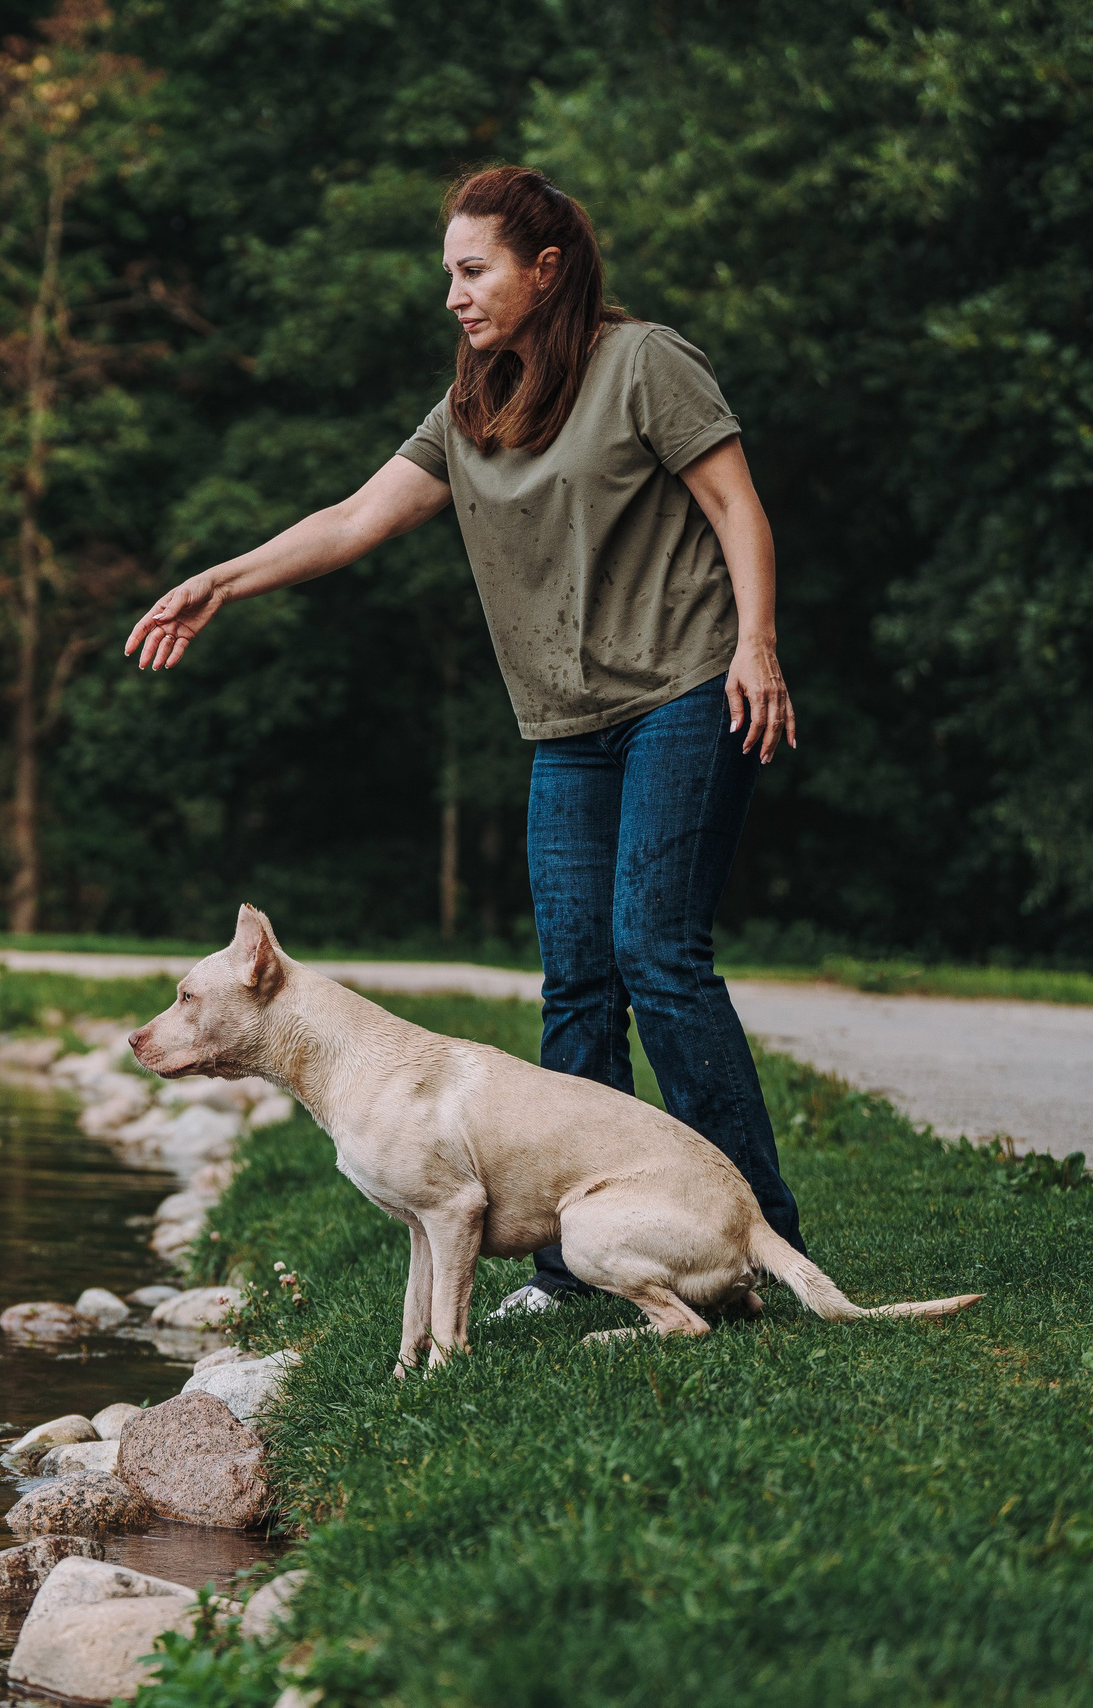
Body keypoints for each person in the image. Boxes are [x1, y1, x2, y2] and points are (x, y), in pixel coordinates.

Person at [123, 164, 803, 1312]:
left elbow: (736, 503)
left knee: (656, 954)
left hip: (687, 687)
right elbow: (353, 517)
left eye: (473, 268)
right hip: (567, 724)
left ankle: (760, 1244)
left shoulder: (645, 363)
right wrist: (220, 582)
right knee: (577, 980)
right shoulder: (472, 408)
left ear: (546, 269)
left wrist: (758, 643)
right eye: (448, 272)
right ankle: (566, 1269)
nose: (453, 293)